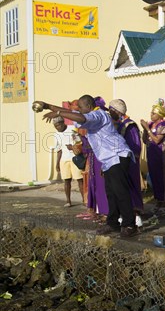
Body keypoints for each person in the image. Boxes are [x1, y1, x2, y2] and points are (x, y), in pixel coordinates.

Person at [39, 95, 138, 238]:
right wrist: (47, 105)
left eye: (81, 107)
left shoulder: (98, 115)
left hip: (118, 156)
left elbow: (80, 118)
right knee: (111, 193)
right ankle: (113, 223)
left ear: (89, 106)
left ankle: (130, 225)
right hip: (108, 160)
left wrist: (59, 113)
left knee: (120, 192)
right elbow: (74, 114)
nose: (79, 110)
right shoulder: (90, 113)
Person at [109, 99, 144, 219]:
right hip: (118, 162)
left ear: (116, 111)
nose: (109, 112)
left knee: (130, 186)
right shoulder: (116, 124)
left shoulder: (130, 125)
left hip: (129, 162)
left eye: (111, 110)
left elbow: (135, 145)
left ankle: (135, 215)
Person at [141, 104, 165, 213]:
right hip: (152, 154)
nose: (151, 115)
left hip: (162, 155)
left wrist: (147, 129)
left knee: (163, 178)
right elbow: (146, 140)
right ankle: (158, 200)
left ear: (159, 115)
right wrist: (145, 130)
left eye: (153, 113)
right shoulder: (151, 125)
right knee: (154, 177)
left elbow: (157, 140)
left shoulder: (164, 125)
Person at [52, 116, 84, 207]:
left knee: (79, 180)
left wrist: (73, 147)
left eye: (58, 125)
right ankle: (68, 201)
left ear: (63, 123)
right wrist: (57, 163)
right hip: (64, 159)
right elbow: (59, 150)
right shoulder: (56, 134)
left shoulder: (72, 130)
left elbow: (79, 142)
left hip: (75, 158)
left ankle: (84, 200)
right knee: (66, 180)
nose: (57, 128)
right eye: (55, 126)